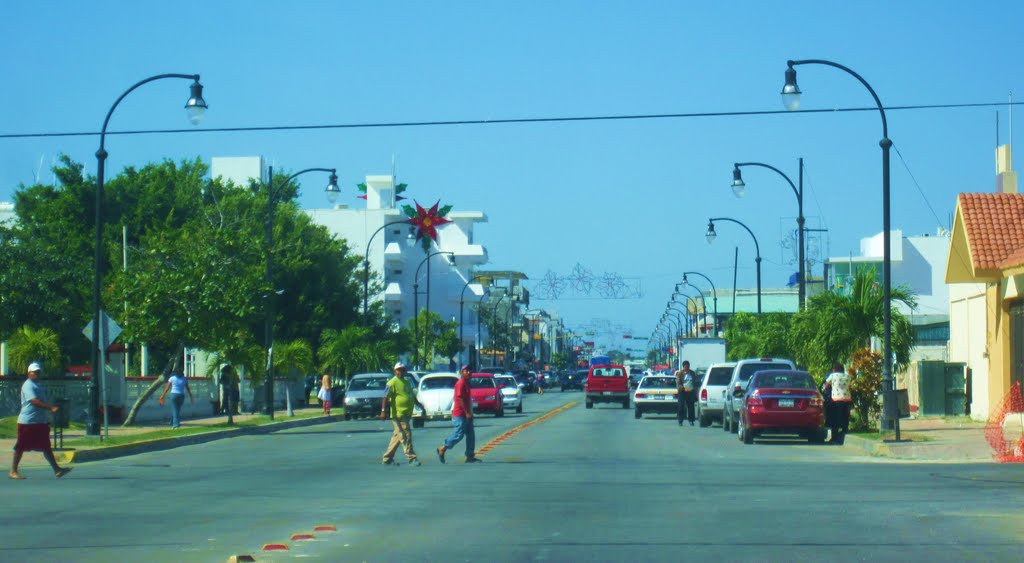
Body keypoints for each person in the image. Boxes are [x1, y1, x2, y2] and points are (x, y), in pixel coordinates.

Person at [9, 362, 72, 479]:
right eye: (34, 372)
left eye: (38, 372)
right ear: (29, 373)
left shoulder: (38, 385)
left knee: (45, 446)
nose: (37, 374)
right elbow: (35, 401)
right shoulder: (28, 385)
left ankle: (57, 469)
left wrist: (46, 417)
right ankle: (13, 471)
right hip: (27, 422)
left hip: (39, 422)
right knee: (21, 446)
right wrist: (51, 407)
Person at [380, 362, 425, 466]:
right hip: (398, 415)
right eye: (398, 370)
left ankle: (387, 458)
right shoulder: (392, 383)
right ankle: (411, 457)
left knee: (397, 437)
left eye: (402, 370)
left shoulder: (406, 382)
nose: (401, 372)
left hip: (406, 414)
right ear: (395, 371)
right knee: (406, 435)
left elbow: (411, 395)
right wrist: (383, 411)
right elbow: (385, 397)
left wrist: (420, 406)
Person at [437, 365, 481, 464]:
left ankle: (470, 456)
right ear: (462, 372)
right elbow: (460, 399)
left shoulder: (466, 383)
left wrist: (469, 412)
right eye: (466, 371)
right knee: (459, 434)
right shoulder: (460, 383)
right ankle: (443, 448)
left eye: (470, 370)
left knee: (470, 435)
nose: (469, 372)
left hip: (467, 413)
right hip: (460, 414)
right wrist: (467, 413)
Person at [823, 362, 852, 444]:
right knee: (844, 416)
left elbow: (826, 385)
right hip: (846, 399)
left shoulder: (832, 375)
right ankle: (845, 430)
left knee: (834, 418)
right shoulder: (847, 376)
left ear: (834, 369)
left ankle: (834, 436)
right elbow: (850, 386)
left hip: (836, 399)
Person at [676, 361, 697, 427]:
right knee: (681, 406)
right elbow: (678, 383)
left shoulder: (692, 373)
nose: (686, 368)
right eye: (685, 367)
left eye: (687, 366)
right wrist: (684, 388)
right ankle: (680, 420)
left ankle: (691, 420)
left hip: (690, 391)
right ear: (683, 367)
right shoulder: (680, 373)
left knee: (691, 406)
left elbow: (694, 382)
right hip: (682, 391)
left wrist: (694, 390)